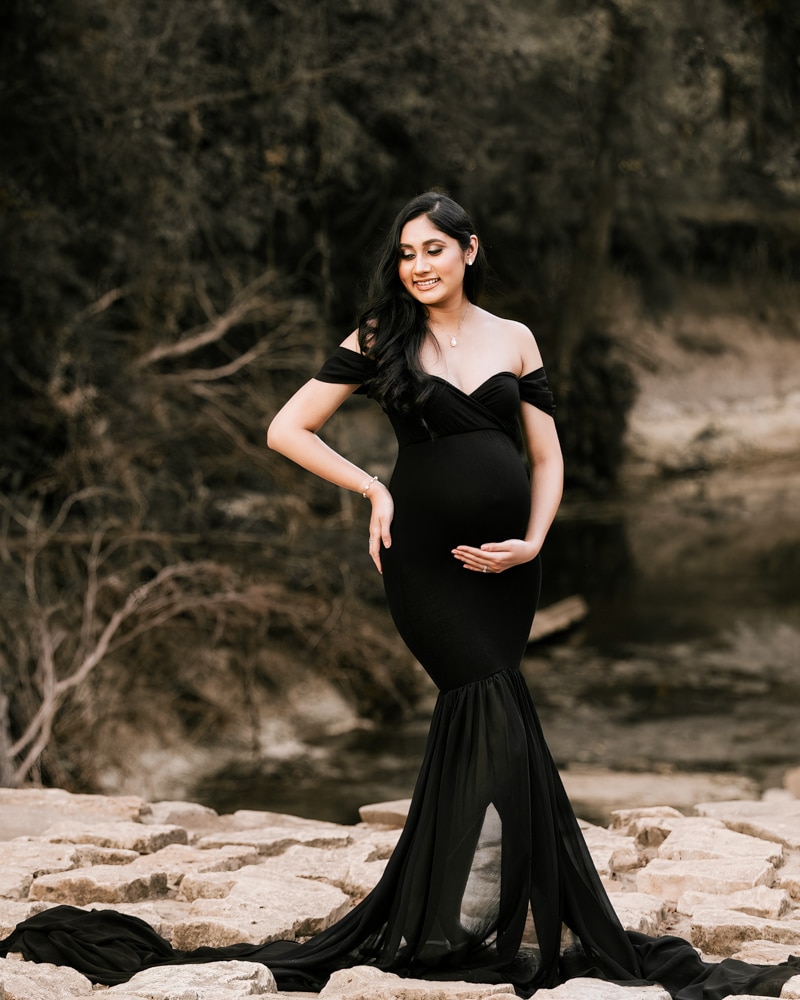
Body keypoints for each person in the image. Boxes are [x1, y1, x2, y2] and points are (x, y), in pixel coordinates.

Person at [1, 193, 797, 999]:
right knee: (492, 712)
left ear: (469, 251)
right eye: (407, 253)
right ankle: (479, 918)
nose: (417, 266)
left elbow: (547, 460)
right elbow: (288, 428)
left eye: (433, 251)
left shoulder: (514, 339)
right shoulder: (381, 337)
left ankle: (460, 913)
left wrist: (534, 541)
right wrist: (373, 490)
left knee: (494, 725)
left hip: (510, 573)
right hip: (422, 562)